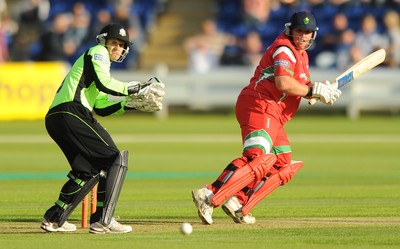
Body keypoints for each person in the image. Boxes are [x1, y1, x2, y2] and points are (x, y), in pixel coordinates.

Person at [192, 11, 341, 225]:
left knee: (282, 163)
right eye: (300, 31)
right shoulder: (284, 49)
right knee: (257, 156)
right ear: (291, 30)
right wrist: (311, 91)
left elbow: (300, 86)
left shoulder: (302, 55)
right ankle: (209, 193)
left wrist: (319, 91)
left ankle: (237, 199)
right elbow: (283, 83)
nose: (304, 36)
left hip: (274, 112)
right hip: (259, 104)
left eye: (308, 32)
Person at [40, 23, 165, 234]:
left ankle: (53, 219)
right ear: (103, 42)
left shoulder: (99, 65)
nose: (117, 48)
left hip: (58, 117)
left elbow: (101, 107)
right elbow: (106, 83)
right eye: (114, 43)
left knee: (88, 170)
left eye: (122, 45)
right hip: (72, 111)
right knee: (116, 158)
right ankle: (103, 220)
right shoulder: (98, 52)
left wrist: (129, 103)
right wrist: (136, 87)